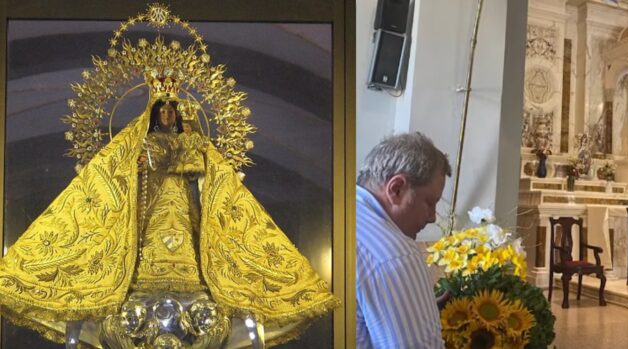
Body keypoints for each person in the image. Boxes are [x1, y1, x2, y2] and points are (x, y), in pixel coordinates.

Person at [0, 74, 340, 347]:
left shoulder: (189, 141)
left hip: (182, 209)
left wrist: (191, 144)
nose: (167, 115)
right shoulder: (138, 143)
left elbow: (198, 172)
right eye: (161, 110)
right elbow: (119, 173)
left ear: (178, 113)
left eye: (171, 110)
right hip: (151, 214)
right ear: (152, 113)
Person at [356, 132, 452, 349]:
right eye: (429, 202)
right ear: (396, 189)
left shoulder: (339, 214)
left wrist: (416, 307)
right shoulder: (396, 255)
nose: (433, 217)